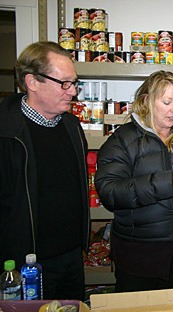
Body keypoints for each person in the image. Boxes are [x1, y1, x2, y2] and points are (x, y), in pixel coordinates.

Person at [94, 70, 173, 296]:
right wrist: (164, 184)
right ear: (146, 101)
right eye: (167, 102)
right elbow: (109, 192)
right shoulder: (123, 140)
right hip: (139, 257)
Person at [0, 41, 88, 300]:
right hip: (26, 265)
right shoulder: (6, 134)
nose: (72, 92)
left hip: (72, 258)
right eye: (64, 84)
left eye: (74, 83)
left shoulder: (72, 126)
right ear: (32, 82)